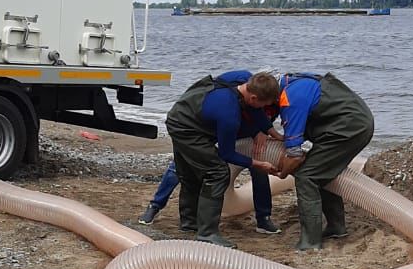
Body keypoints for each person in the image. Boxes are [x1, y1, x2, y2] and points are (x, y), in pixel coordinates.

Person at [165, 70, 281, 247]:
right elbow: (227, 154)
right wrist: (257, 163)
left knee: (190, 173)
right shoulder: (229, 115)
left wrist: (271, 131)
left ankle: (189, 223)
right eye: (262, 106)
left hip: (181, 112)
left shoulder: (243, 78)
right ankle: (207, 233)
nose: (262, 110)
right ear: (253, 99)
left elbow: (255, 111)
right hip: (187, 130)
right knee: (217, 172)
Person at [274, 72, 374, 250]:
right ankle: (336, 227)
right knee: (322, 173)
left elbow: (295, 154)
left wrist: (282, 173)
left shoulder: (291, 99)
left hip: (348, 128)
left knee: (307, 177)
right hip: (354, 122)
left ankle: (310, 242)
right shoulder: (296, 83)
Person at [137, 156, 281, 234]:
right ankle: (155, 206)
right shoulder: (228, 105)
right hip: (217, 138)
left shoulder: (270, 104)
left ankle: (263, 219)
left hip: (246, 141)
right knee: (178, 165)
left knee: (260, 170)